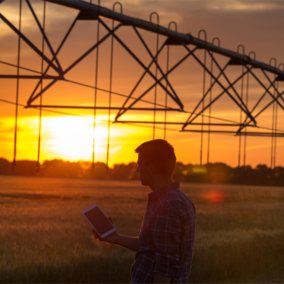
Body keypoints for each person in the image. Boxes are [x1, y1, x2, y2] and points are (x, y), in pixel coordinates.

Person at [92, 139, 196, 284]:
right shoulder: (180, 200)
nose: (137, 170)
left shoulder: (168, 205)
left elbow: (165, 264)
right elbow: (151, 247)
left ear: (152, 169)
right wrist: (117, 238)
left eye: (139, 165)